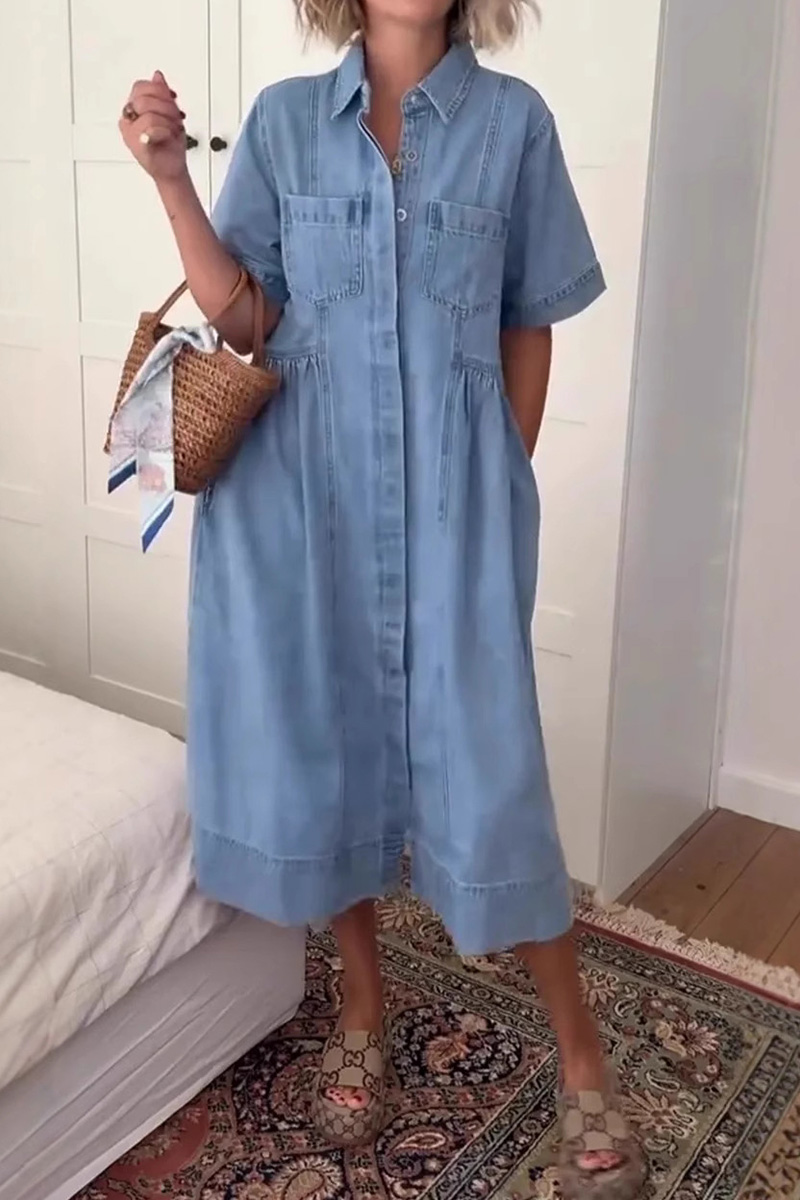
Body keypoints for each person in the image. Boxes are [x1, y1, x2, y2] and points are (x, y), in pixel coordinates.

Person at [119, 1, 644, 1194]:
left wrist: (498, 481)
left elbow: (526, 323)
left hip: (454, 514)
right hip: (299, 504)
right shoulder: (284, 123)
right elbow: (247, 317)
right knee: (329, 751)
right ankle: (363, 1001)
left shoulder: (512, 124)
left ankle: (580, 1059)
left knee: (494, 776)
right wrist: (170, 181)